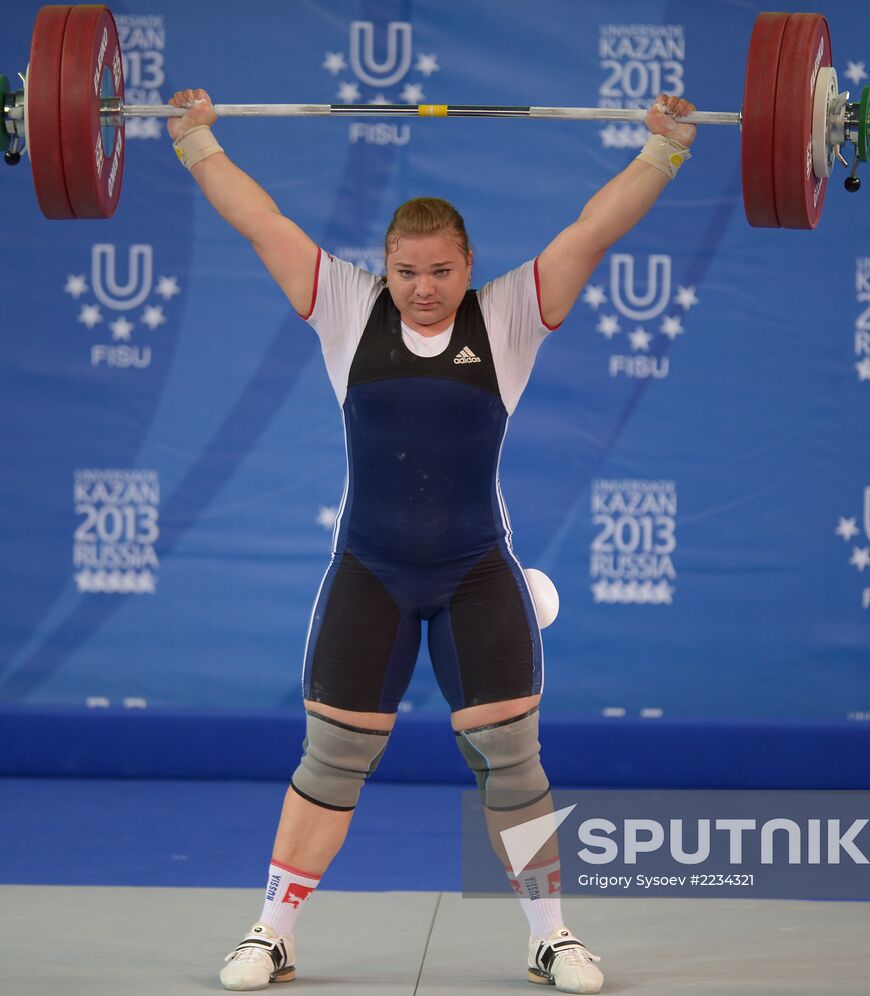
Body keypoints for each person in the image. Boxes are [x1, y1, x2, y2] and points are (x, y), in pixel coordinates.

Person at [167, 85, 697, 993]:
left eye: (441, 271)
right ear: (385, 267)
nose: (423, 288)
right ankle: (272, 933)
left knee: (512, 757)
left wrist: (663, 153)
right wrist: (194, 143)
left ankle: (551, 937)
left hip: (474, 574)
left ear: (467, 266)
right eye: (408, 271)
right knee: (333, 756)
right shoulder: (346, 306)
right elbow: (262, 222)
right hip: (369, 571)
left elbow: (588, 232)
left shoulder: (506, 318)